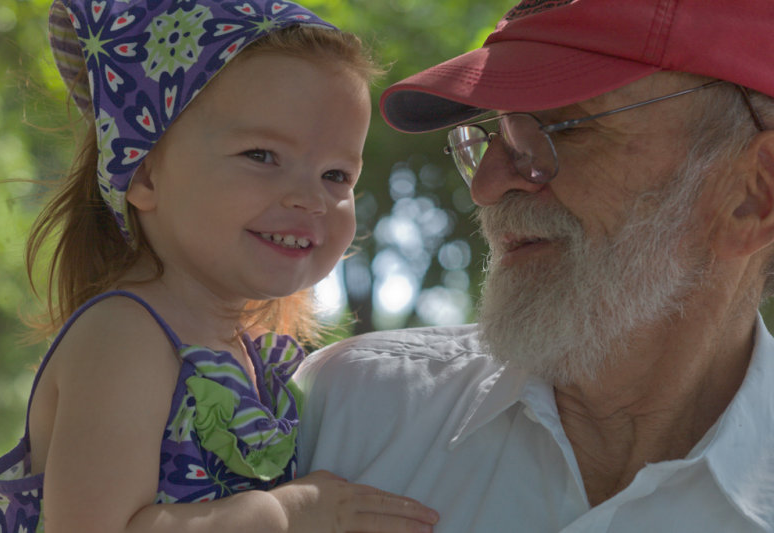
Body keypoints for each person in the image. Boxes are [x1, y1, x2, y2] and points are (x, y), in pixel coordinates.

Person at [294, 0, 774, 531]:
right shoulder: (352, 406)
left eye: (561, 128)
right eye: (495, 132)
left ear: (753, 197)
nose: (487, 186)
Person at [0, 1, 441, 532]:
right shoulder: (126, 336)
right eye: (262, 155)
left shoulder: (237, 348)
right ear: (145, 175)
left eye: (336, 174)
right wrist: (286, 513)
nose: (310, 199)